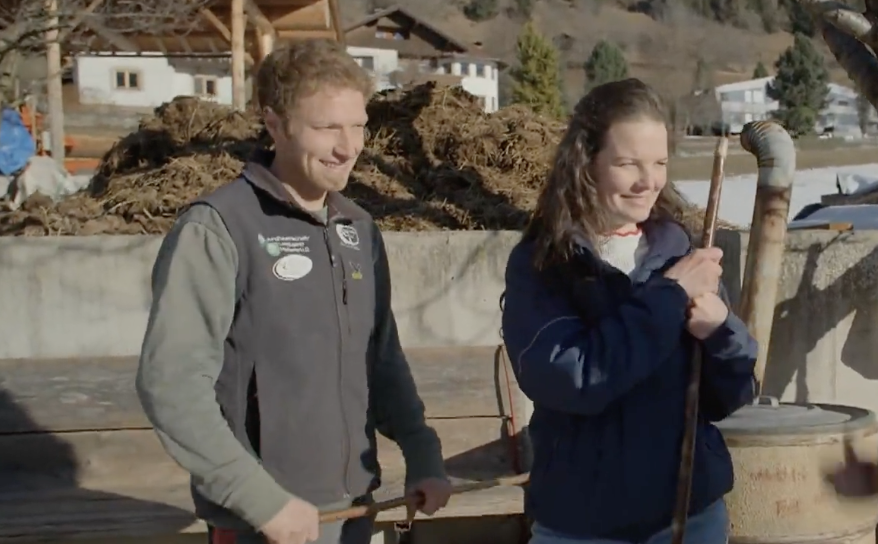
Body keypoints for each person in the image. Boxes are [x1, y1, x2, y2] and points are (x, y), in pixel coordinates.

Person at [135, 39, 452, 544]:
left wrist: (422, 454)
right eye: (327, 128)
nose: (348, 146)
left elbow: (382, 358)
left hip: (353, 512)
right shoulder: (218, 228)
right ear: (276, 124)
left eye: (359, 125)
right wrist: (260, 499)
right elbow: (170, 385)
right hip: (266, 521)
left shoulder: (359, 228)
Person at [501, 78, 758, 544]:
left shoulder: (680, 250)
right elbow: (576, 379)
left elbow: (730, 396)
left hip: (689, 519)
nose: (649, 182)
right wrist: (670, 298)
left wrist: (722, 332)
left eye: (659, 163)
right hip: (582, 525)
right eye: (627, 164)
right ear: (585, 164)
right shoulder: (546, 263)